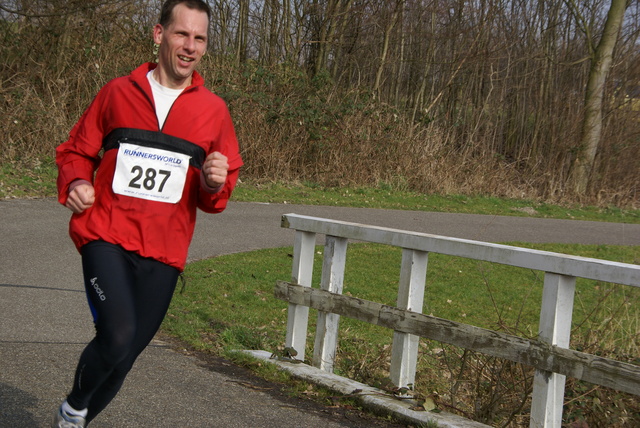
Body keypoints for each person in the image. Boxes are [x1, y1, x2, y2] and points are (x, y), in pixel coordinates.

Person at [52, 1, 242, 426]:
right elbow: (75, 151)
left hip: (164, 254)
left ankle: (75, 421)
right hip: (107, 235)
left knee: (124, 357)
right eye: (181, 34)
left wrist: (214, 181)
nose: (190, 46)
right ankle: (73, 408)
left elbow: (215, 199)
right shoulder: (118, 92)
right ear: (159, 35)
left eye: (200, 38)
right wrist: (77, 182)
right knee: (116, 336)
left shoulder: (214, 112)